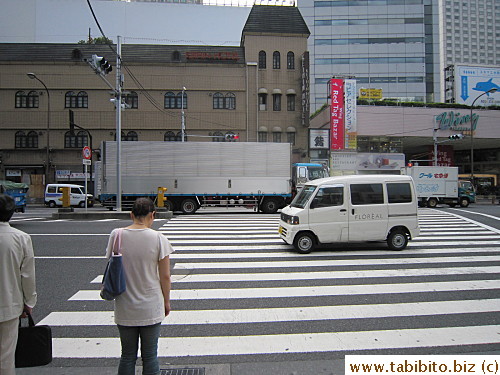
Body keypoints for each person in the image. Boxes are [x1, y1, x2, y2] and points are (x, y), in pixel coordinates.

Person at [105, 197, 174, 375]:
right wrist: (167, 302)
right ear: (153, 215)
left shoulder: (117, 235)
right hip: (151, 305)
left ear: (131, 214)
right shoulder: (159, 238)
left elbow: (112, 265)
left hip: (124, 305)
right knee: (150, 356)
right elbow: (165, 276)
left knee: (127, 355)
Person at [0, 194, 37, 375]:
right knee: (6, 357)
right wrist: (28, 302)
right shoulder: (21, 238)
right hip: (9, 305)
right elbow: (27, 276)